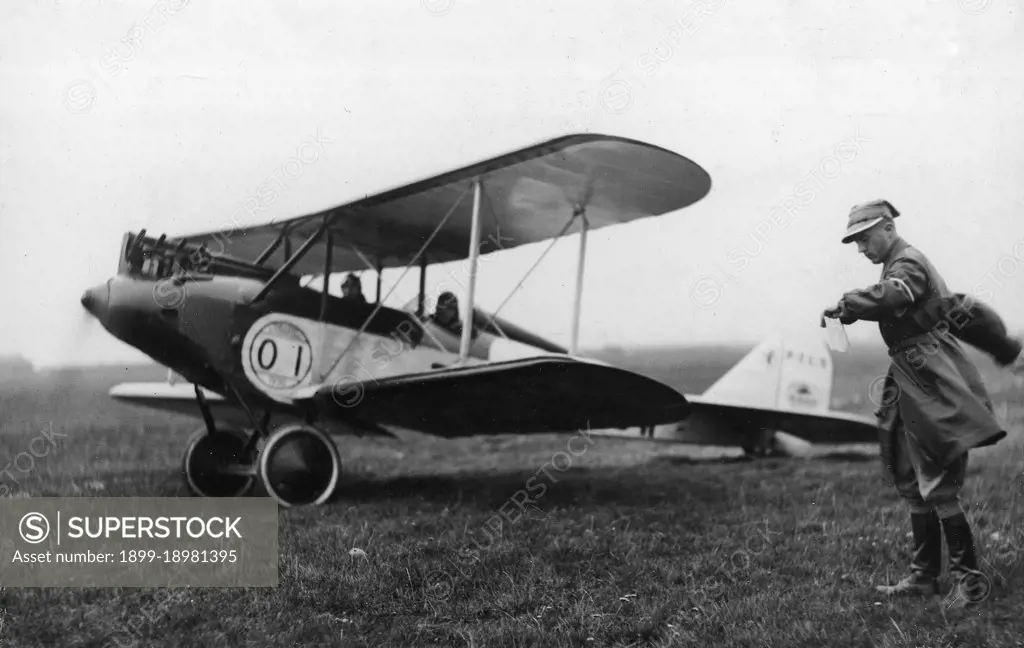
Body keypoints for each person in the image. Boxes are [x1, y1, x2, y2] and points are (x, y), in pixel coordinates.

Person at [821, 199, 1019, 604]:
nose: (861, 248)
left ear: (888, 229)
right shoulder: (895, 262)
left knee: (938, 478)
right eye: (856, 241)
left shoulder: (907, 262)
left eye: (864, 238)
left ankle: (968, 581)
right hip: (911, 377)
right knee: (910, 473)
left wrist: (850, 304)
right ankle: (923, 577)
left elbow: (895, 295)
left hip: (932, 378)